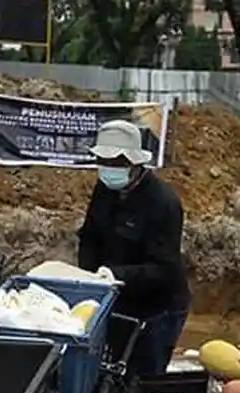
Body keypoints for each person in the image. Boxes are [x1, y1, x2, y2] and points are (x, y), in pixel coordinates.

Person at [78, 119, 189, 377]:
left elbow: (164, 269)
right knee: (112, 369)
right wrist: (89, 275)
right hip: (116, 299)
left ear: (136, 164)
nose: (109, 169)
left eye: (117, 163)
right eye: (103, 162)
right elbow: (90, 236)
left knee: (143, 374)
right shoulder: (104, 189)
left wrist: (117, 275)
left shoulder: (163, 203)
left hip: (157, 309)